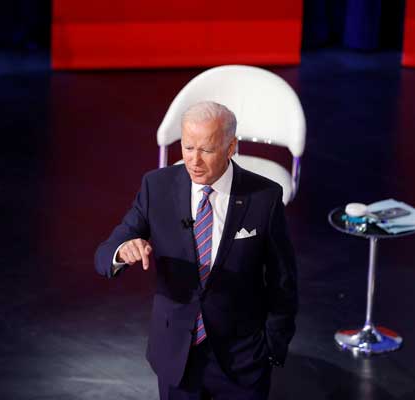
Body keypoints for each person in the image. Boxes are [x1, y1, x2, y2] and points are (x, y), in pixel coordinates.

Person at [95, 101, 298, 400]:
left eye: (206, 150)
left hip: (242, 360)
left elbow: (283, 280)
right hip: (176, 358)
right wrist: (123, 250)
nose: (194, 161)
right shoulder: (156, 187)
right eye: (188, 148)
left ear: (231, 148)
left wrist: (272, 347)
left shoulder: (264, 198)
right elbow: (104, 253)